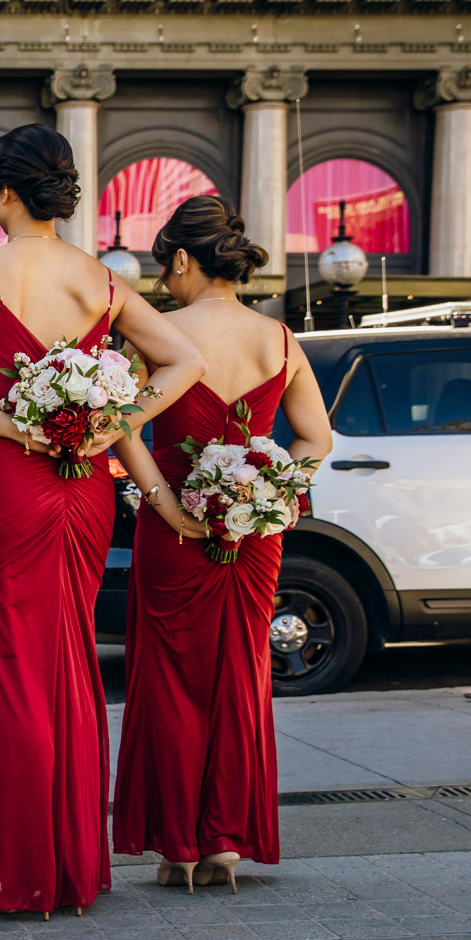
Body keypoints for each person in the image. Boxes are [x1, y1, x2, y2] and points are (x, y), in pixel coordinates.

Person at [0, 123, 204, 917]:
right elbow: (185, 359)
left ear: (3, 192)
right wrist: (111, 426)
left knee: (7, 667)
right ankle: (71, 865)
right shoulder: (101, 281)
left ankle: (21, 867)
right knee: (70, 662)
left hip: (11, 486)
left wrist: (13, 427)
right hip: (82, 491)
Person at [112, 196, 332, 892]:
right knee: (240, 677)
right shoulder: (281, 340)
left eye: (163, 266)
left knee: (171, 678)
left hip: (174, 525)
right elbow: (316, 439)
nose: (162, 281)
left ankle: (176, 844)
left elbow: (119, 425)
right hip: (251, 537)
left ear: (182, 259)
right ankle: (226, 842)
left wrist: (164, 500)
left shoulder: (158, 330)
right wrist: (268, 493)